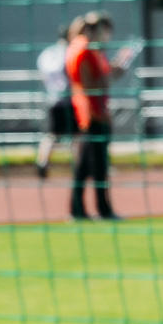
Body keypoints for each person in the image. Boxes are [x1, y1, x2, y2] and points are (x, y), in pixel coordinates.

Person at [65, 11, 122, 220]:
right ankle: (96, 209)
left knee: (88, 165)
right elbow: (91, 84)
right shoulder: (85, 49)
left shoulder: (86, 48)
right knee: (94, 165)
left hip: (89, 111)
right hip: (92, 113)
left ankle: (82, 209)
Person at [34, 25, 73, 179]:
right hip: (69, 99)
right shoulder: (69, 52)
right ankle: (81, 165)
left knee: (52, 134)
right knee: (78, 135)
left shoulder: (47, 53)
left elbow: (43, 75)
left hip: (53, 98)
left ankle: (42, 162)